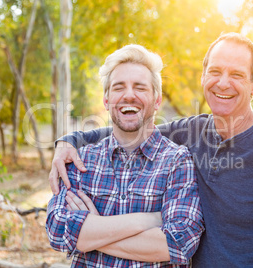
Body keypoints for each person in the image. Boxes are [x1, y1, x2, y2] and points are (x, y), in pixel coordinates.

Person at [49, 33, 253, 267]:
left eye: (237, 74)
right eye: (215, 71)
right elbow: (129, 126)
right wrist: (69, 141)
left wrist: (89, 236)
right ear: (203, 75)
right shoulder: (191, 131)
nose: (223, 83)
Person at [45, 44, 204, 267]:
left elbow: (178, 244)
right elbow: (57, 230)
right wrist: (148, 220)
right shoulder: (81, 161)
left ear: (157, 101)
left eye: (140, 87)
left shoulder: (177, 161)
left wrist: (93, 231)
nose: (129, 95)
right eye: (119, 87)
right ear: (106, 100)